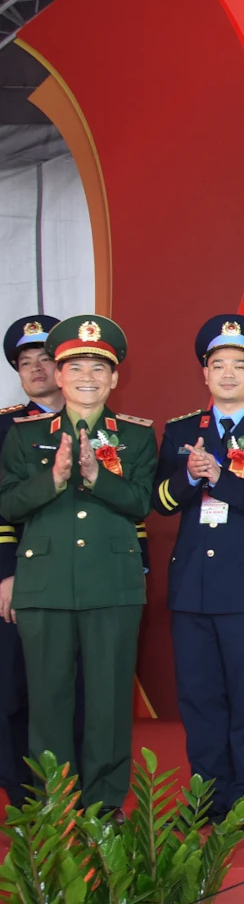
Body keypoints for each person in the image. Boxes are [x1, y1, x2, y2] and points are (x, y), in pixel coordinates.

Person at [0, 314, 154, 811]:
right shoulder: (24, 435)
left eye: (98, 368)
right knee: (48, 705)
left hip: (112, 584)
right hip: (43, 584)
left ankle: (104, 810)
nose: (86, 377)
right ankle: (54, 809)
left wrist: (93, 475)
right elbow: (7, 504)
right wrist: (55, 477)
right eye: (75, 367)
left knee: (108, 705)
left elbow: (140, 502)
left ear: (114, 378)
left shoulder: (136, 436)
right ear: (58, 375)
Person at [152, 315, 244, 829]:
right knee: (200, 697)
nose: (229, 374)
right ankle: (204, 797)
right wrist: (191, 476)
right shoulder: (183, 430)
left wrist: (223, 480)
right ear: (204, 373)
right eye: (218, 365)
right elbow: (162, 501)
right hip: (193, 585)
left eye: (241, 364)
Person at [0, 314, 60, 804]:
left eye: (47, 358)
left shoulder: (97, 423)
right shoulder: (5, 427)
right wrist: (7, 573)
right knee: (17, 687)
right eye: (26, 361)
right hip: (21, 576)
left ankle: (80, 788)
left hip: (84, 578)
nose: (38, 368)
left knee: (81, 687)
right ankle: (24, 795)